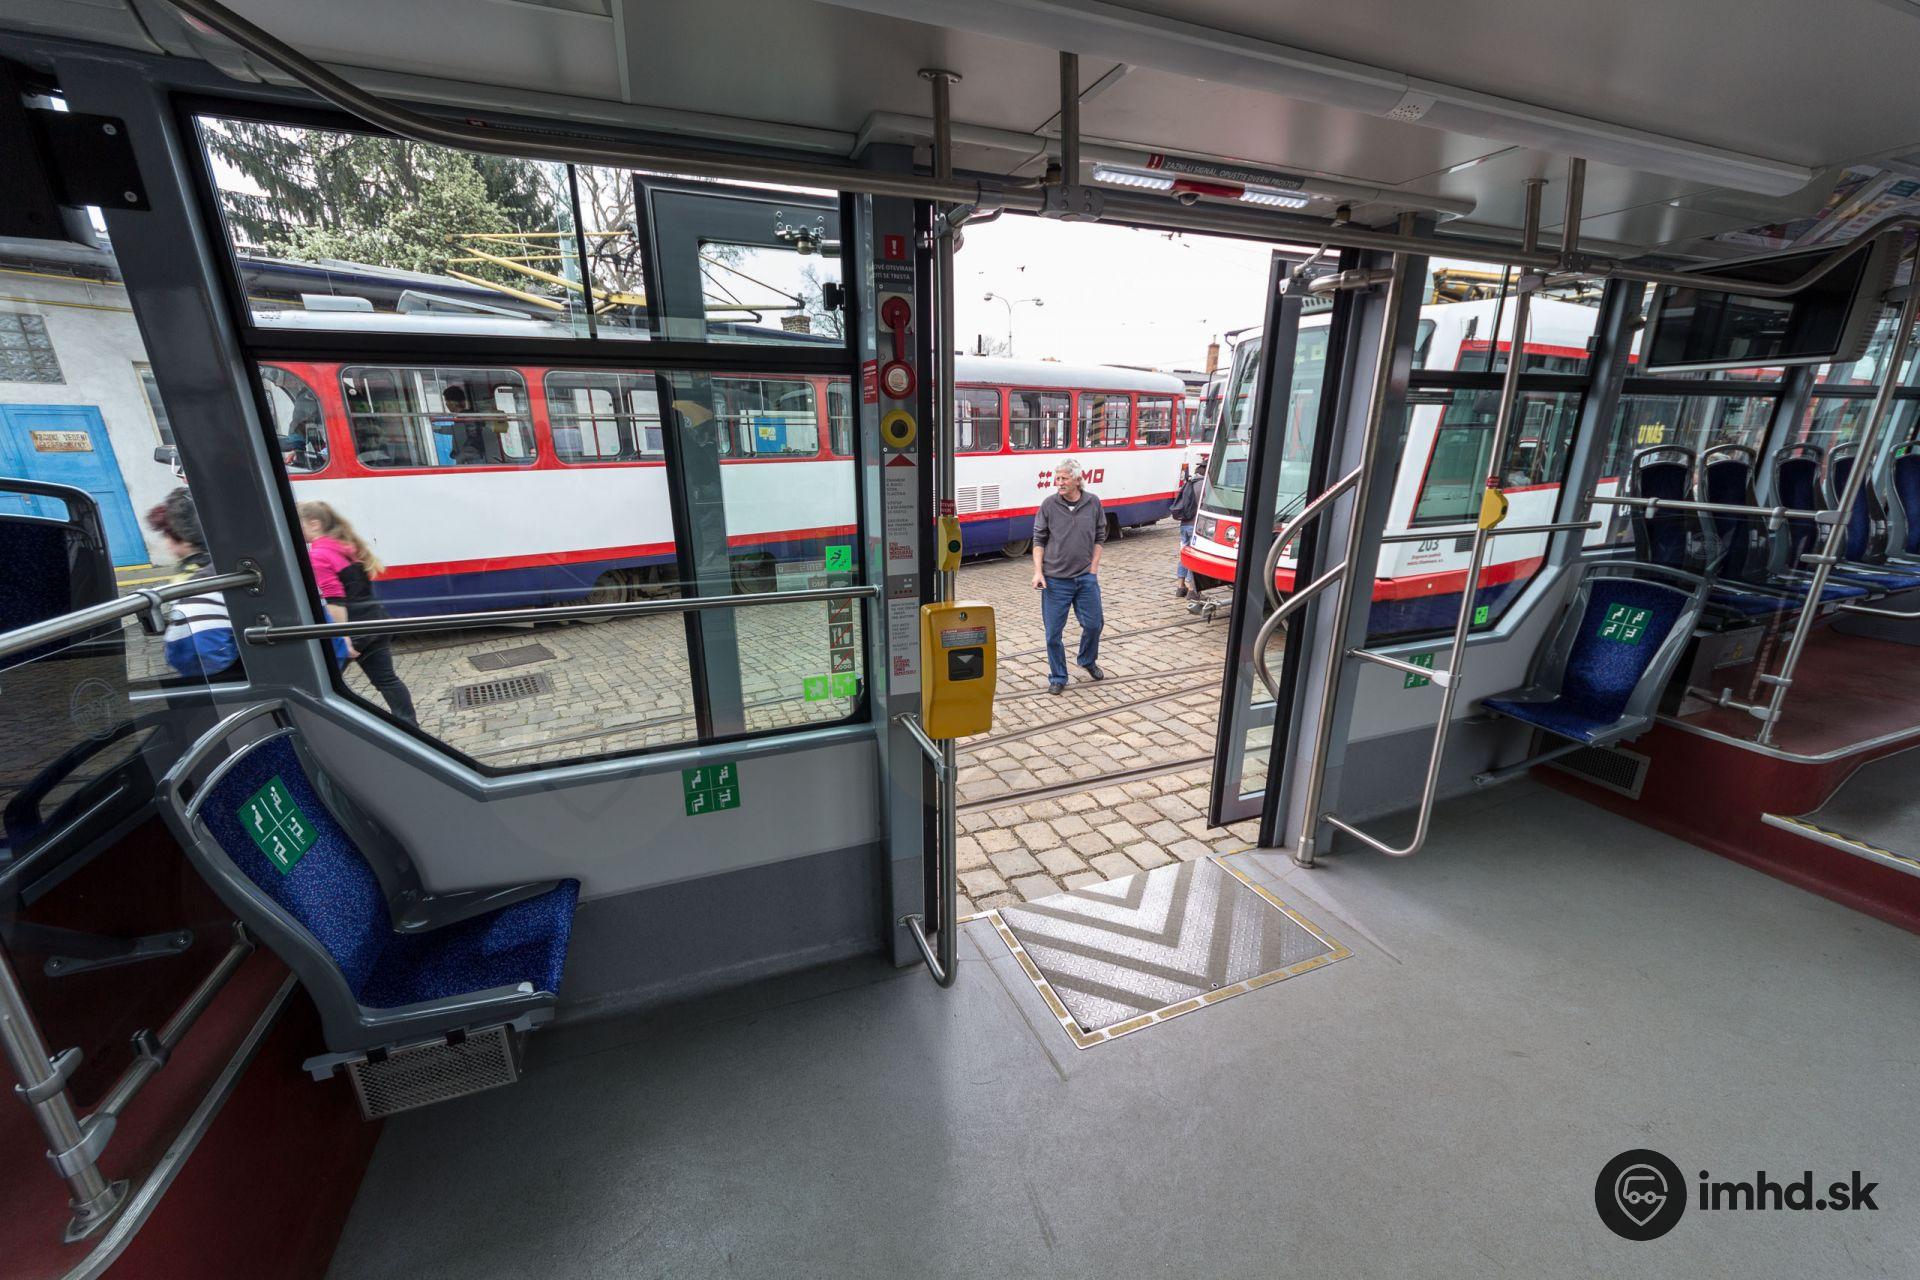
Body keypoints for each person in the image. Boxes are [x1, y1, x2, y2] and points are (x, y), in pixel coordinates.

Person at [298, 501, 418, 724]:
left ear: (314, 524)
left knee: (320, 685)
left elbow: (335, 600)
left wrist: (343, 637)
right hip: (375, 621)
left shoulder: (319, 554)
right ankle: (410, 726)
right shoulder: (345, 547)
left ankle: (321, 726)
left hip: (355, 628)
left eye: (299, 524)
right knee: (387, 680)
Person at [145, 488, 240, 682]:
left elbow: (189, 652)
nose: (166, 544)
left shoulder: (192, 585)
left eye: (168, 537)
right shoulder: (239, 564)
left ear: (186, 540)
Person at [1031, 458, 1107, 695]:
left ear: (1077, 479)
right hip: (1055, 581)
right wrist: (1038, 572)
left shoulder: (1093, 503)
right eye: (1057, 478)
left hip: (1085, 578)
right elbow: (1038, 540)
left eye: (1064, 478)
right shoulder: (1049, 505)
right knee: (1053, 634)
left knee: (1094, 625)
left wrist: (1093, 569)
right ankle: (1058, 676)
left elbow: (1100, 536)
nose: (1059, 482)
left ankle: (1087, 660)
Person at [1168, 461, 1203, 598]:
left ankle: (1180, 586)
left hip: (1184, 525)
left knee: (1184, 555)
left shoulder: (1188, 483)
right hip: (1196, 526)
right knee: (1194, 557)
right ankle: (1191, 589)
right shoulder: (1204, 485)